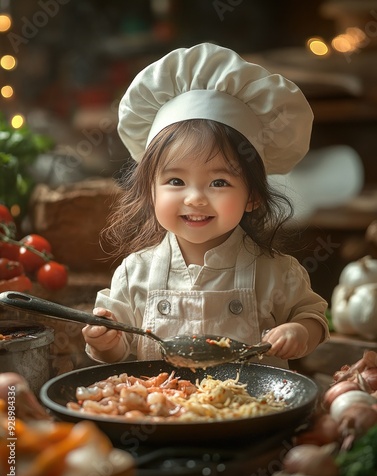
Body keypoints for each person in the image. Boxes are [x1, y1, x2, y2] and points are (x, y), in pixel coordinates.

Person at [83, 42, 329, 369]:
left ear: (252, 195)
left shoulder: (276, 273)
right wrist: (105, 341)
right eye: (175, 181)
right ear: (151, 190)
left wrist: (300, 331)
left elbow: (312, 316)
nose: (195, 198)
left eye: (219, 182)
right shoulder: (134, 273)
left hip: (254, 415)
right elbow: (116, 352)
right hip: (162, 413)